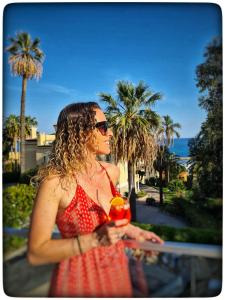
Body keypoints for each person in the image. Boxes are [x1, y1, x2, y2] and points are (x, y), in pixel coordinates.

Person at [28, 102, 163, 297]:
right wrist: (96, 239)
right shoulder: (55, 183)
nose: (110, 133)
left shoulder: (111, 173)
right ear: (80, 132)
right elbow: (36, 253)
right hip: (79, 281)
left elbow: (110, 222)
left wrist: (135, 231)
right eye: (103, 127)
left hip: (117, 274)